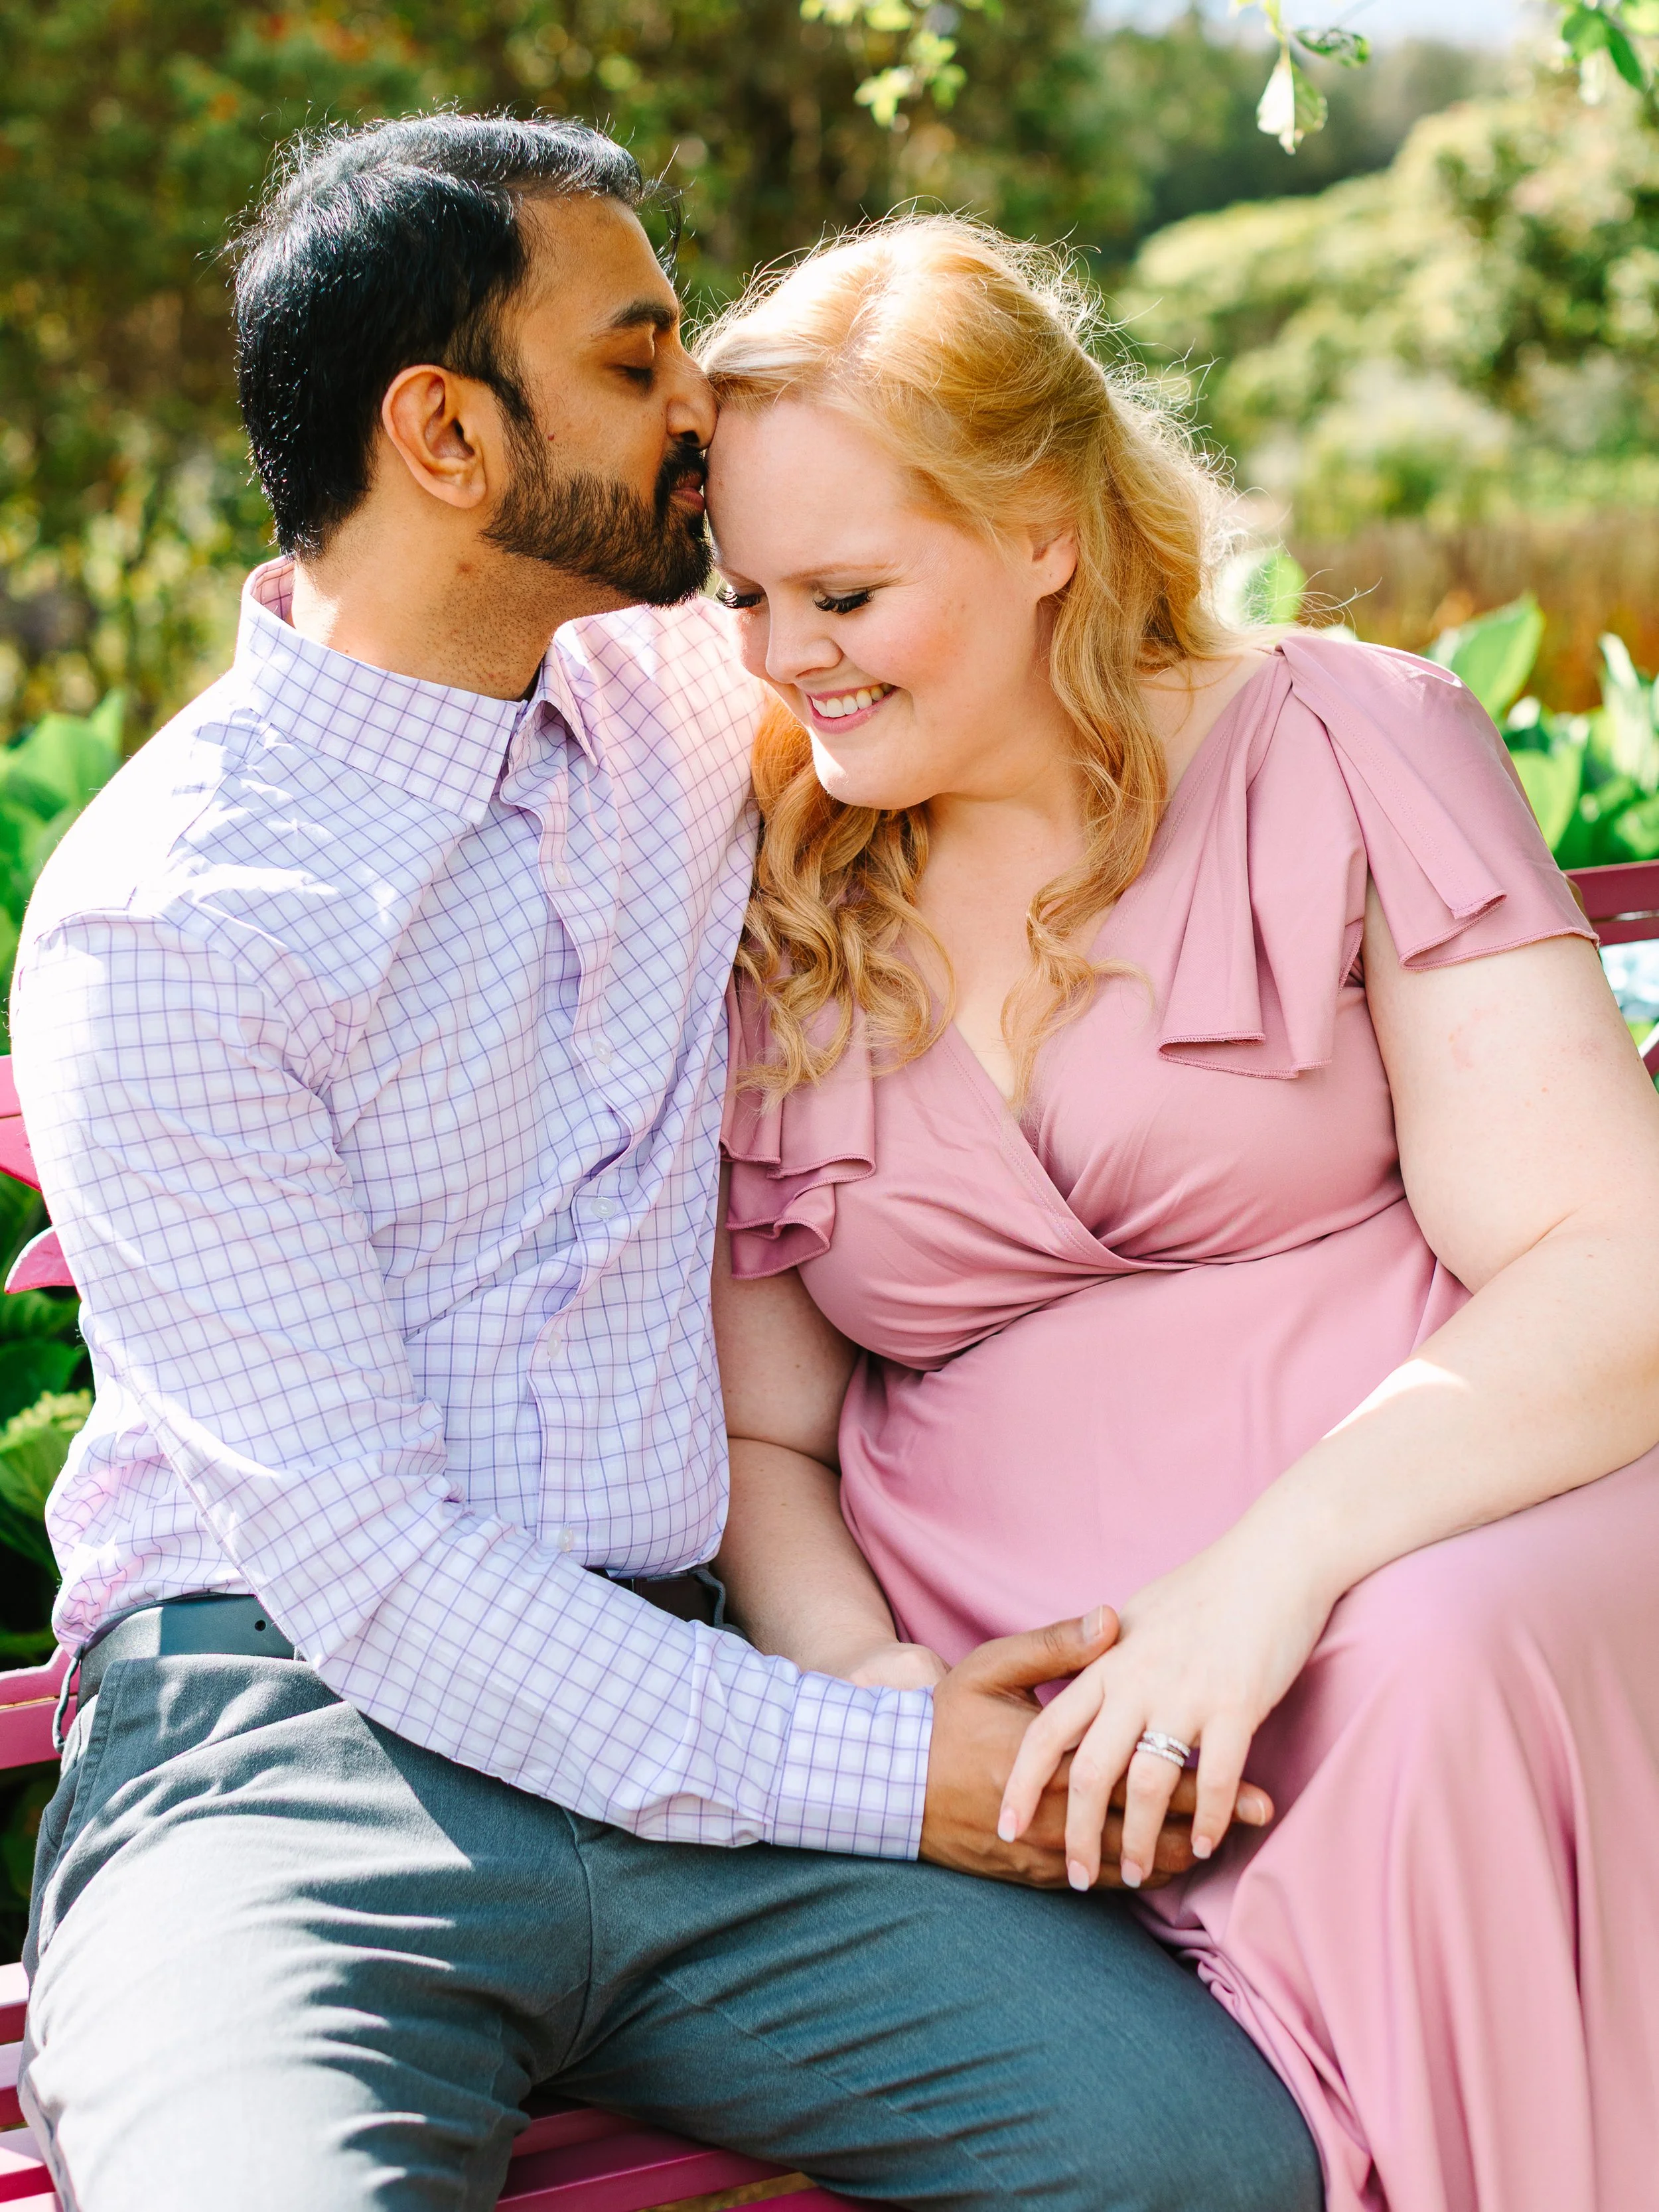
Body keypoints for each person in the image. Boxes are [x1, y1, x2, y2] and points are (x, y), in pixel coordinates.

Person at [9, 120, 1321, 2211]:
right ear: (443, 431)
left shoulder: (685, 703)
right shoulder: (172, 918)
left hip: (696, 1740)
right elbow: (365, 1564)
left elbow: (991, 612)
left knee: (1188, 2154)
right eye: (635, 361)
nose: (700, 407)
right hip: (295, 1755)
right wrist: (898, 1767)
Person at [703, 214, 1659, 2212]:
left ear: (1043, 523)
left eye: (847, 589)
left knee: (1422, 1660)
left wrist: (1265, 1578)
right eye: (749, 596)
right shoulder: (771, 886)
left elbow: (1610, 1254)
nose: (788, 656)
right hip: (1032, 1710)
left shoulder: (1345, 741)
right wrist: (873, 1705)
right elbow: (762, 1432)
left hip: (1433, 1552)